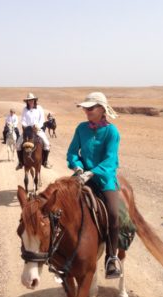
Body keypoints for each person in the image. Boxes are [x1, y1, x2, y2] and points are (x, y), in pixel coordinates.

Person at [66, 92, 122, 279]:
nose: (86, 111)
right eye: (85, 108)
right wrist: (79, 167)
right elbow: (73, 152)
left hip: (104, 178)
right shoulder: (81, 128)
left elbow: (111, 160)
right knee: (60, 204)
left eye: (90, 108)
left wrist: (93, 172)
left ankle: (112, 258)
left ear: (101, 109)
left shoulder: (112, 132)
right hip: (82, 176)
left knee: (114, 214)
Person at [15, 93, 52, 170]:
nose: (30, 102)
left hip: (37, 129)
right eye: (29, 101)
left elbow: (42, 119)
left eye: (32, 100)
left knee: (47, 144)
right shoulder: (24, 109)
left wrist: (37, 125)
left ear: (34, 100)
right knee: (18, 144)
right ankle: (20, 162)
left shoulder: (39, 108)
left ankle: (45, 161)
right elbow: (23, 120)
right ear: (27, 101)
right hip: (28, 131)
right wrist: (26, 126)